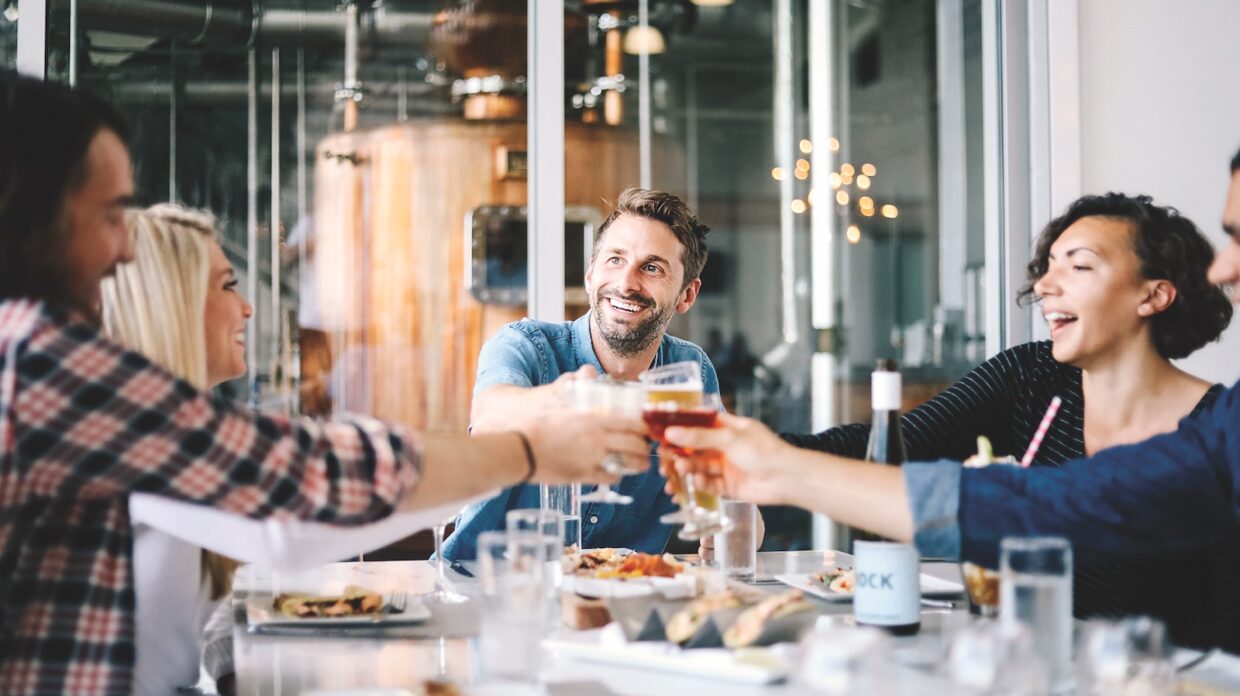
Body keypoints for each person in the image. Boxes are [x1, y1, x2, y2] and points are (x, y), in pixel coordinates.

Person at [0, 73, 641, 695]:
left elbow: (245, 550)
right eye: (111, 213)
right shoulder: (35, 358)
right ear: (35, 211)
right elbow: (295, 488)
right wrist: (527, 452)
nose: (125, 250)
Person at [666, 147, 1240, 638]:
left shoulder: (1218, 433)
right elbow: (898, 443)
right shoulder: (1033, 376)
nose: (1044, 284)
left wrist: (775, 465)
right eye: (1047, 267)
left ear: (1154, 295)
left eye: (1080, 266)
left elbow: (1060, 507)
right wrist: (762, 455)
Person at [441, 187, 721, 561]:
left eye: (652, 268)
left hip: (621, 600)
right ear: (591, 274)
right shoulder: (524, 345)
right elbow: (491, 414)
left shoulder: (691, 373)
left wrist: (738, 522)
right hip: (483, 589)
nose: (626, 283)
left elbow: (717, 492)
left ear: (687, 295)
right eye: (615, 260)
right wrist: (569, 403)